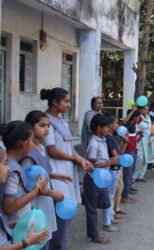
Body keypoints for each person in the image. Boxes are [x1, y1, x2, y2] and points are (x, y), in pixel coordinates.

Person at [41, 88, 93, 250]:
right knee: (58, 217)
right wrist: (73, 159)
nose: (69, 105)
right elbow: (52, 150)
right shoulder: (46, 121)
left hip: (66, 174)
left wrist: (81, 159)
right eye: (66, 101)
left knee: (66, 216)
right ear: (55, 103)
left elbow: (69, 147)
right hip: (55, 176)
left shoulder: (62, 121)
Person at [21, 111, 72, 250]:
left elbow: (41, 173)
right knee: (37, 238)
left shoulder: (41, 147)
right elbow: (27, 185)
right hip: (34, 202)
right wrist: (50, 193)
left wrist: (56, 176)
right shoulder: (28, 153)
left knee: (45, 236)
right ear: (30, 127)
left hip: (44, 200)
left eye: (48, 126)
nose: (47, 129)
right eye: (42, 125)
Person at [0, 148, 50, 249]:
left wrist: (14, 225)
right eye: (5, 164)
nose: (8, 168)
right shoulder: (15, 171)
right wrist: (26, 243)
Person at [1, 121, 49, 222]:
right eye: (32, 140)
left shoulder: (11, 164)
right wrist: (36, 190)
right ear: (24, 143)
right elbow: (9, 208)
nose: (33, 144)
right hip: (13, 228)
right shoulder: (12, 170)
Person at [84, 114, 119, 244]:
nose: (108, 130)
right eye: (106, 128)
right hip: (93, 179)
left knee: (105, 201)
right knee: (92, 207)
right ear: (99, 128)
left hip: (102, 178)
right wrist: (110, 162)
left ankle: (86, 197)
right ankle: (94, 234)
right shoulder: (94, 143)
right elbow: (91, 165)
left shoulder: (102, 140)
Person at [104, 113, 129, 216]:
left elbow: (120, 154)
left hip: (116, 166)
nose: (118, 125)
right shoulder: (109, 139)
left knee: (118, 187)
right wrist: (125, 141)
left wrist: (125, 141)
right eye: (116, 123)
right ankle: (111, 213)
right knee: (112, 191)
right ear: (109, 125)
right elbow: (117, 155)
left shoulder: (113, 136)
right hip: (112, 167)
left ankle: (115, 209)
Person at [132, 105, 154, 183]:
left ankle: (141, 176)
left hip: (148, 140)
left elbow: (150, 127)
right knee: (140, 158)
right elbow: (134, 128)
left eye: (147, 109)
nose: (146, 111)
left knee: (146, 159)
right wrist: (139, 131)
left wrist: (152, 132)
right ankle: (134, 176)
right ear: (140, 109)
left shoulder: (148, 117)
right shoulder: (138, 117)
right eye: (145, 109)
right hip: (140, 140)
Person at [121, 110, 140, 203]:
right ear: (134, 117)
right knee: (127, 174)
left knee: (130, 173)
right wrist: (133, 110)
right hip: (128, 152)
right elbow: (124, 122)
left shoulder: (133, 126)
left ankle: (127, 191)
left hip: (133, 151)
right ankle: (124, 196)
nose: (139, 119)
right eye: (138, 117)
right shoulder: (127, 126)